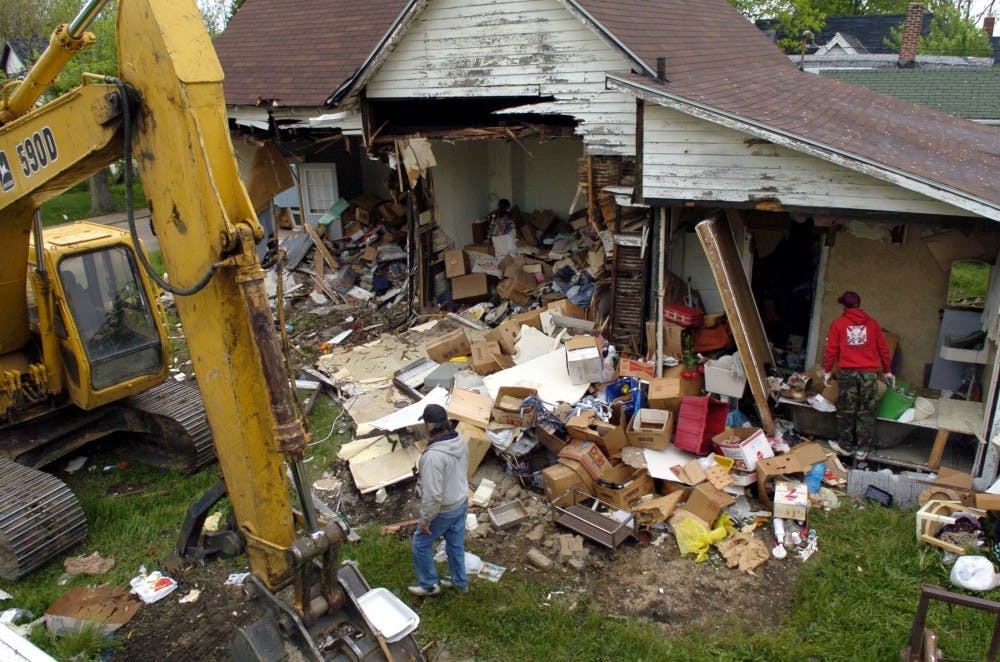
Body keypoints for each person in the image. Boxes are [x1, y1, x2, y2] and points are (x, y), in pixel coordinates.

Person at [822, 291, 893, 462]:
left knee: (846, 410)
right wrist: (887, 371)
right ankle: (862, 449)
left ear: (843, 306)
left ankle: (846, 446)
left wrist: (827, 370)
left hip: (848, 374)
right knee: (867, 411)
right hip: (869, 374)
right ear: (859, 305)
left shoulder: (838, 324)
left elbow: (831, 350)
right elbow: (883, 349)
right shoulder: (873, 324)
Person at [408, 404, 470, 596]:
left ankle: (429, 585)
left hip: (444, 510)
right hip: (461, 501)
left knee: (421, 543)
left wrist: (426, 520)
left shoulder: (433, 456)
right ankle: (460, 583)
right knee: (455, 544)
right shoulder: (459, 440)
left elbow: (433, 495)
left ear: (427, 425)